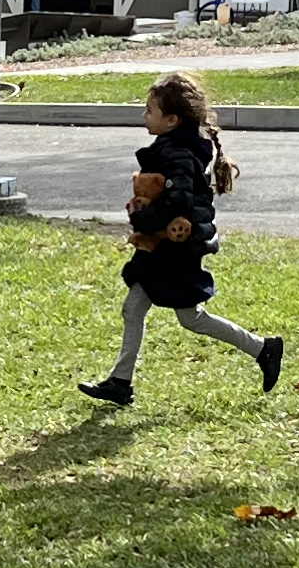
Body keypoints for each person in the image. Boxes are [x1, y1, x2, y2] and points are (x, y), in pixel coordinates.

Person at [80, 68, 284, 406]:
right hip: (166, 246)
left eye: (150, 110)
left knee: (189, 317)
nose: (144, 115)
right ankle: (120, 382)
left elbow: (179, 200)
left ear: (172, 119)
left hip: (175, 247)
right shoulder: (174, 146)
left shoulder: (176, 152)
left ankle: (263, 348)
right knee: (135, 307)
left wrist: (141, 218)